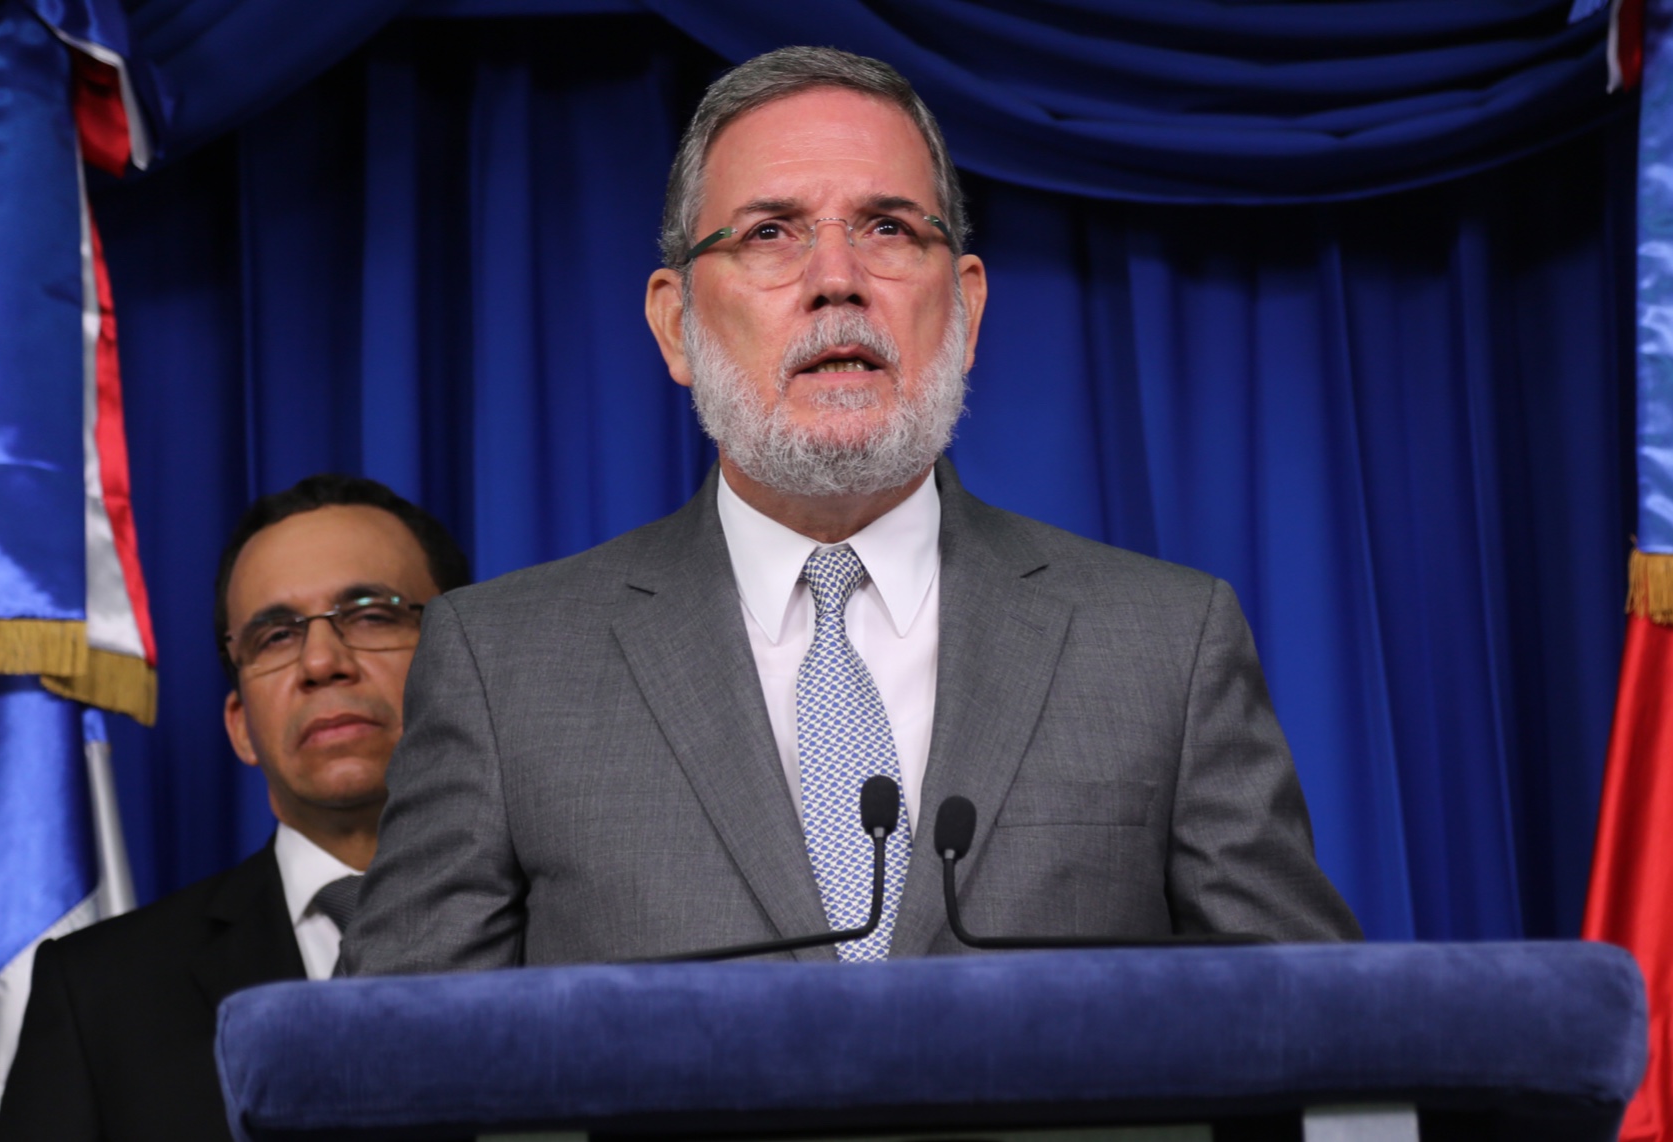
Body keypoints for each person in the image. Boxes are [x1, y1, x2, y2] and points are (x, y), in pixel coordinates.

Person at [344, 46, 1357, 975]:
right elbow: (377, 1063)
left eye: (887, 229)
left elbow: (1323, 1037)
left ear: (965, 309)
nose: (837, 281)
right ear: (675, 324)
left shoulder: (1164, 645)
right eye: (770, 233)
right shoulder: (503, 668)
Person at [0, 475, 469, 1142]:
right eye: (275, 636)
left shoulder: (581, 931)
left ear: (466, 672)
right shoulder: (97, 993)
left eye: (371, 615)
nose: (321, 661)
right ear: (241, 725)